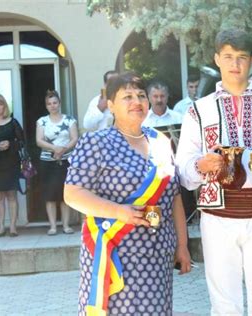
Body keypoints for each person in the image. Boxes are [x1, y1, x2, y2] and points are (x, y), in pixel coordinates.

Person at [176, 29, 252, 315]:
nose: (235, 64)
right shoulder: (198, 111)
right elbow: (182, 167)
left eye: (241, 57)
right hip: (217, 217)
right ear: (217, 59)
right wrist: (201, 165)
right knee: (223, 302)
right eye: (228, 56)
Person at [63, 72, 191, 315]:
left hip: (158, 253)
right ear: (110, 105)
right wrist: (119, 211)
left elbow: (174, 197)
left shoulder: (161, 142)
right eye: (127, 96)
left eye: (141, 95)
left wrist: (182, 246)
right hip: (116, 252)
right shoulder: (96, 142)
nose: (137, 101)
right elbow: (73, 193)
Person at [36, 90, 78, 235]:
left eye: (55, 103)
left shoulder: (69, 120)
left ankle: (66, 225)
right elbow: (39, 140)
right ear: (46, 106)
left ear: (59, 103)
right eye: (49, 103)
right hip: (48, 162)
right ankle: (53, 226)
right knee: (50, 194)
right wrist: (54, 148)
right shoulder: (42, 121)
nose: (52, 106)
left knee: (65, 195)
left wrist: (63, 149)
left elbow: (75, 138)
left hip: (67, 161)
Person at [0, 94, 23, 237]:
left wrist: (10, 144)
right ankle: (1, 226)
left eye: (0, 104)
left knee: (12, 195)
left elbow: (22, 142)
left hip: (11, 163)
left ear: (4, 106)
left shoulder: (13, 122)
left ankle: (13, 226)